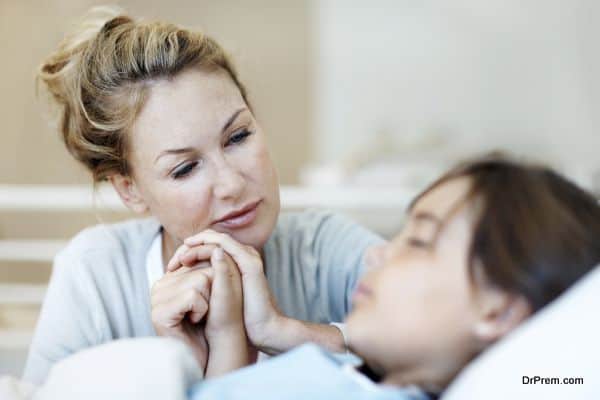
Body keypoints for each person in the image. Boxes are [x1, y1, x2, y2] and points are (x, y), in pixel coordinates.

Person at [23, 6, 382, 384]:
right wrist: (190, 369)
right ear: (130, 190)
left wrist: (285, 334)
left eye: (239, 136)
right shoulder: (94, 276)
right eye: (185, 169)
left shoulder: (324, 249)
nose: (232, 185)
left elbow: (445, 334)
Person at [180, 155, 600, 399]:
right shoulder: (340, 377)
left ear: (498, 310)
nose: (379, 252)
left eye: (418, 241)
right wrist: (230, 334)